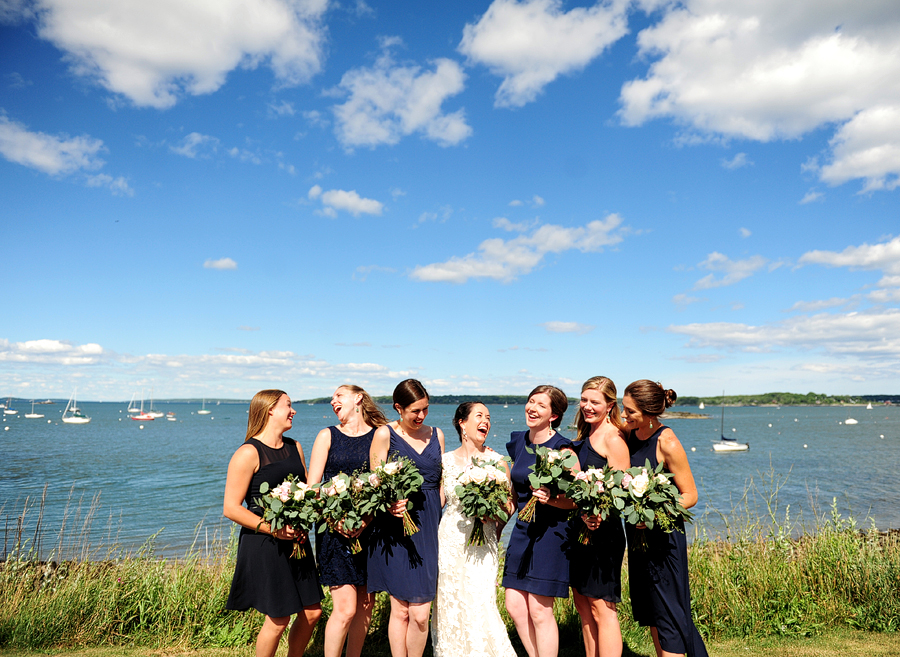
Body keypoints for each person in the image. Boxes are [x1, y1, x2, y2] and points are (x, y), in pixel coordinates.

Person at [224, 389, 322, 657]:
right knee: (278, 619)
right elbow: (231, 508)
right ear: (270, 410)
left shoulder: (294, 447)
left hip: (296, 540)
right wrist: (275, 529)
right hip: (265, 543)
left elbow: (303, 493)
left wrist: (303, 522)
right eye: (288, 405)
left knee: (313, 612)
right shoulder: (248, 452)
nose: (294, 411)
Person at [621, 380, 709, 657]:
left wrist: (654, 514)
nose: (624, 416)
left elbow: (691, 494)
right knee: (652, 612)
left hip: (664, 537)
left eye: (629, 411)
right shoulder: (631, 433)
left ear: (648, 412)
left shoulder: (667, 441)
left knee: (669, 613)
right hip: (637, 537)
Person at [431, 402, 517, 657]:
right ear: (462, 423)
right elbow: (438, 504)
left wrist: (493, 518)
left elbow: (510, 504)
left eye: (488, 418)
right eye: (479, 416)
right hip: (450, 539)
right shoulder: (445, 462)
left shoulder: (498, 461)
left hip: (483, 541)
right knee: (451, 600)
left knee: (481, 600)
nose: (486, 422)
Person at [307, 385, 387, 657]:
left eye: (338, 396)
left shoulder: (379, 435)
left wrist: (365, 519)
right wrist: (334, 519)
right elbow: (312, 488)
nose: (332, 401)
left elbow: (381, 484)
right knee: (345, 609)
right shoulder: (326, 435)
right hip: (333, 530)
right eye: (332, 397)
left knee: (365, 605)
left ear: (358, 399)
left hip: (369, 528)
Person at [367, 379, 445, 657]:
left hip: (429, 528)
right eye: (415, 410)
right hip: (395, 527)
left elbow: (440, 485)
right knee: (400, 610)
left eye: (425, 409)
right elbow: (375, 483)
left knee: (421, 614)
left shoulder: (437, 434)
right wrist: (389, 506)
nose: (421, 416)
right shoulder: (384, 435)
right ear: (398, 408)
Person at [502, 384, 575, 657]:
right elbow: (517, 485)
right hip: (522, 530)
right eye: (531, 402)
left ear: (554, 415)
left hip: (550, 534)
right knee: (514, 605)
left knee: (539, 610)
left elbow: (577, 500)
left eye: (541, 405)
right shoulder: (519, 441)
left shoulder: (564, 450)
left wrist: (552, 499)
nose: (532, 408)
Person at [569, 377, 630, 657]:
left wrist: (598, 515)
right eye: (584, 400)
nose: (587, 406)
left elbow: (622, 490)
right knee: (583, 605)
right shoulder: (583, 435)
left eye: (595, 402)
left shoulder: (613, 438)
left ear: (610, 405)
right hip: (580, 528)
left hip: (603, 532)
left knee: (602, 607)